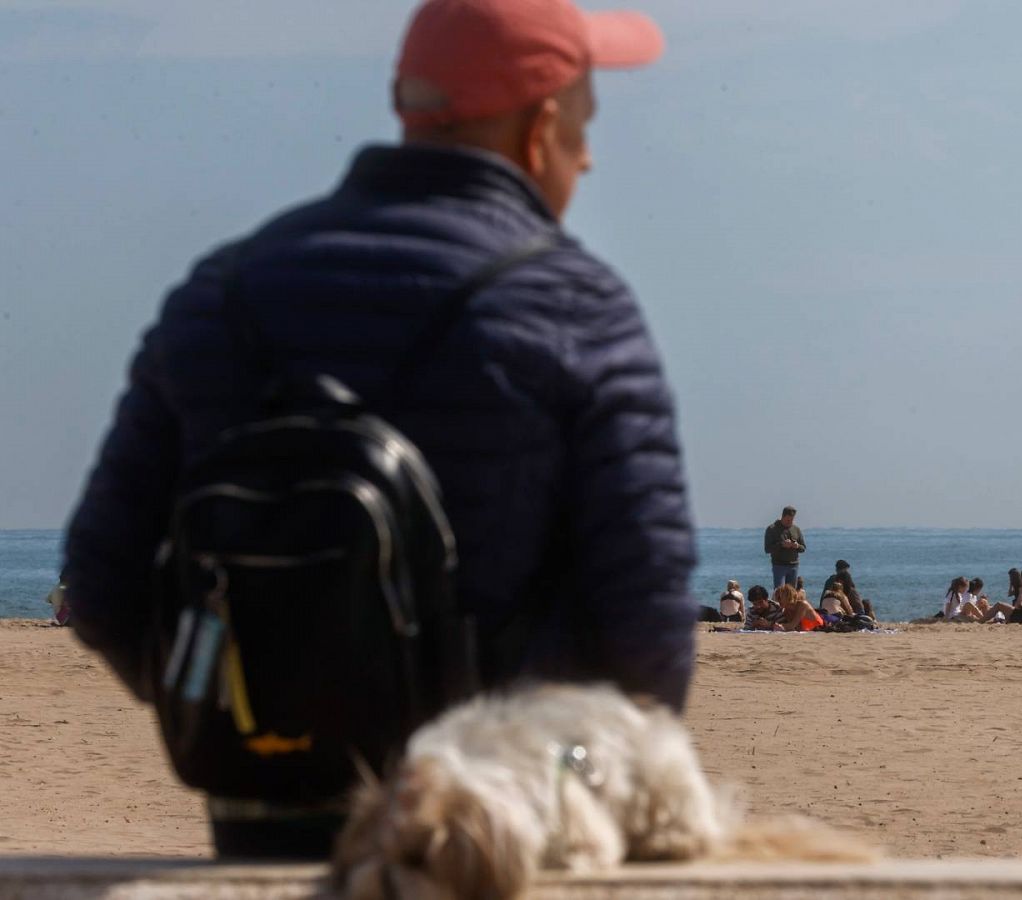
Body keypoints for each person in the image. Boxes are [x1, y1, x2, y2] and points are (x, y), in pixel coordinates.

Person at [60, 0, 687, 859]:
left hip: (267, 833)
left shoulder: (223, 291)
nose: (590, 154)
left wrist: (253, 728)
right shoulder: (577, 307)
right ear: (540, 132)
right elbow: (648, 641)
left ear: (409, 110)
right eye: (584, 125)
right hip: (488, 849)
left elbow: (100, 586)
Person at [763, 506, 806, 588]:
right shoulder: (772, 529)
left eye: (792, 520)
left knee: (791, 594)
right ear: (783, 517)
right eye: (788, 520)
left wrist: (797, 546)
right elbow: (767, 549)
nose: (790, 522)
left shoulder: (796, 529)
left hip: (794, 566)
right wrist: (782, 545)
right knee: (780, 592)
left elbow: (803, 548)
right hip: (779, 566)